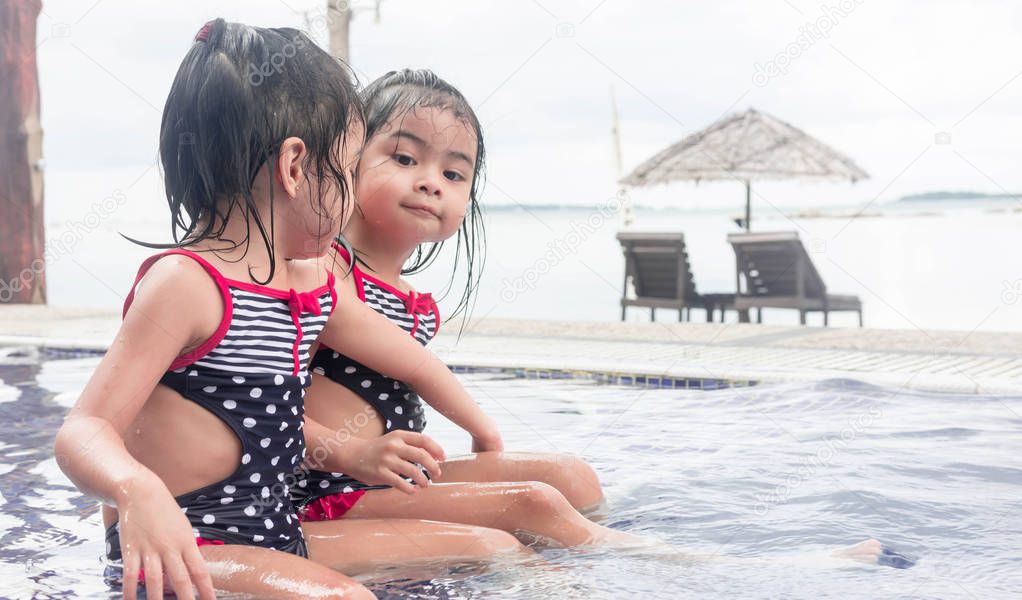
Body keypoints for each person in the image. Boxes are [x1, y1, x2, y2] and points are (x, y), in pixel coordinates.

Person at [295, 70, 624, 550]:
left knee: (572, 477)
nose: (431, 183)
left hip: (392, 479)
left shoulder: (414, 302)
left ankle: (588, 557)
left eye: (453, 174)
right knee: (532, 503)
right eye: (405, 158)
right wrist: (480, 427)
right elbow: (401, 363)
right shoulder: (320, 268)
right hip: (330, 491)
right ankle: (643, 568)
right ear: (348, 161)